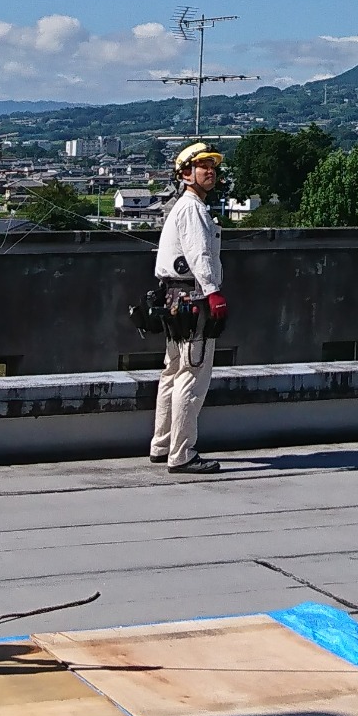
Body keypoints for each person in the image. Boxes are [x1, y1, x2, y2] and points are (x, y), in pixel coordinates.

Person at [150, 143, 227, 473]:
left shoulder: (181, 207)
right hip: (192, 299)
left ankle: (163, 443)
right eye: (202, 165)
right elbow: (200, 256)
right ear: (185, 173)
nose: (210, 170)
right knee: (191, 376)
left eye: (212, 165)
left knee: (172, 371)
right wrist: (213, 293)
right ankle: (181, 454)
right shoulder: (193, 209)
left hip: (173, 299)